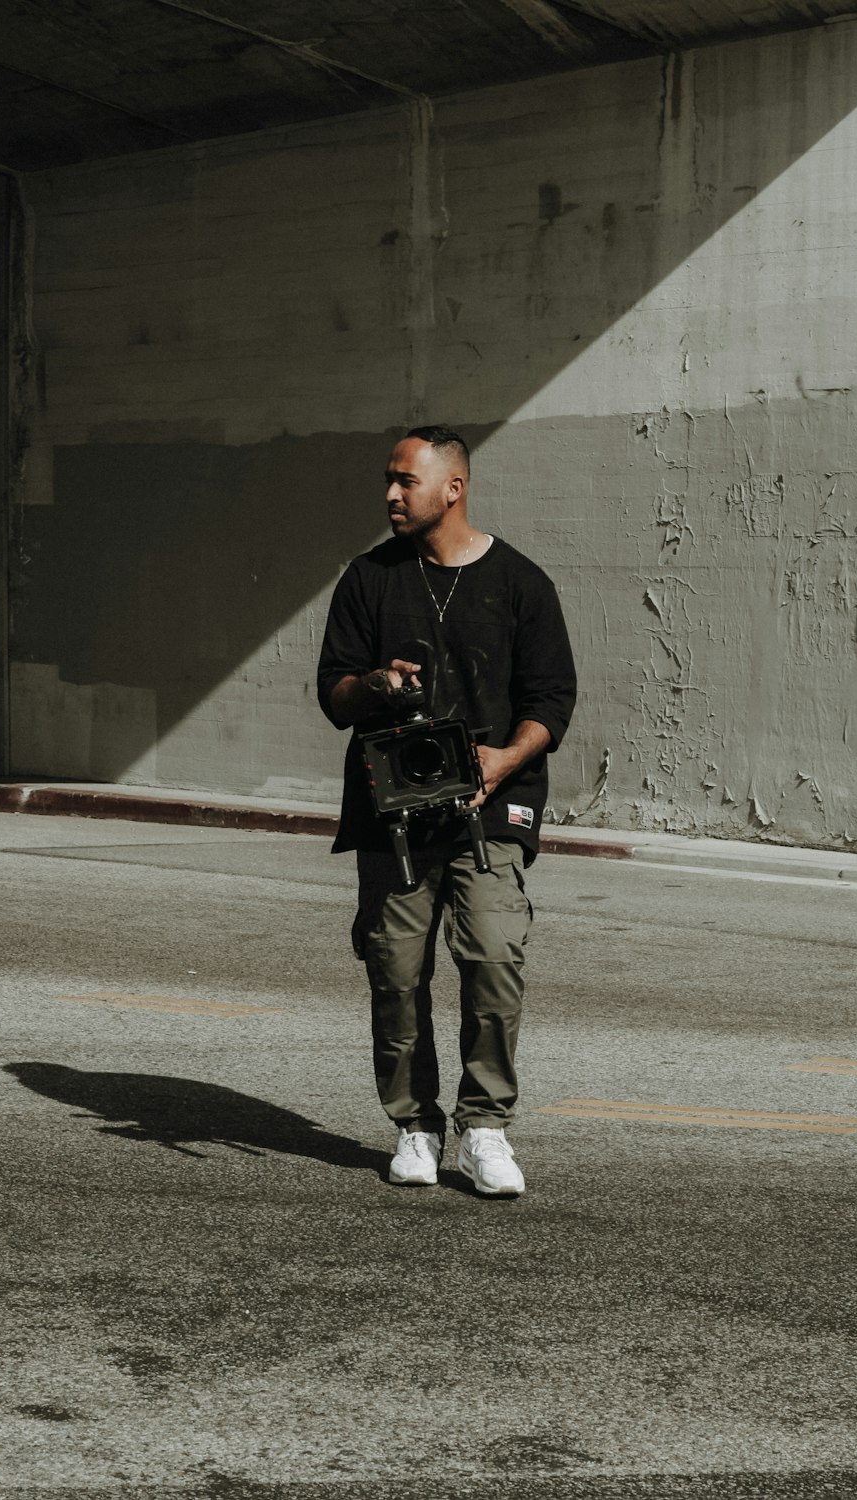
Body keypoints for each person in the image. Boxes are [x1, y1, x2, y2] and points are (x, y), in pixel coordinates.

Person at [316, 425, 576, 1196]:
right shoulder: (368, 579)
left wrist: (502, 759)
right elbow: (333, 696)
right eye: (388, 481)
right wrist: (374, 686)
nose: (391, 495)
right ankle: (415, 1126)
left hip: (490, 803)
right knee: (396, 970)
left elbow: (551, 701)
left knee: (494, 955)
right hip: (392, 810)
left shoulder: (522, 583)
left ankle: (485, 1127)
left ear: (453, 488)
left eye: (406, 481)